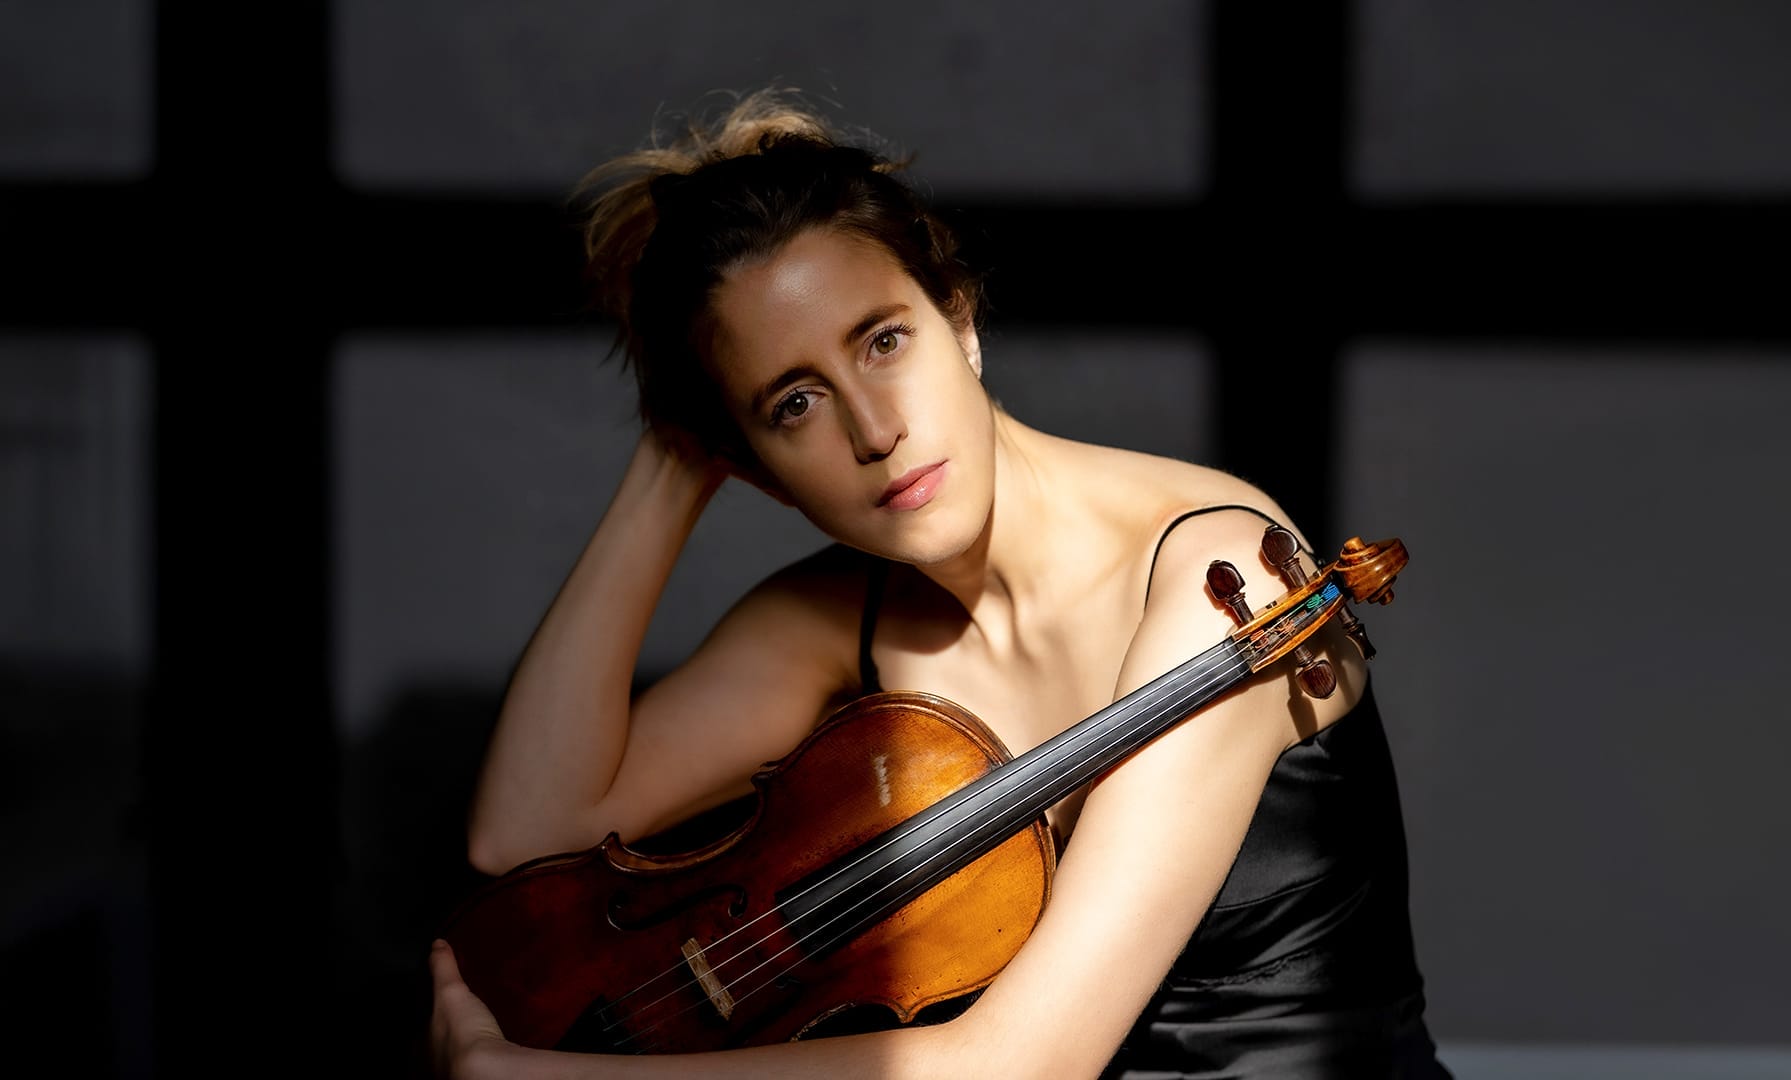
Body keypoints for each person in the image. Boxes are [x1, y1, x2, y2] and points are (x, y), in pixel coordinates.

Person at [427, 88, 1451, 1080]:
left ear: (959, 319)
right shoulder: (839, 618)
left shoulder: (1215, 581)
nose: (874, 432)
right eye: (794, 404)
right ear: (752, 468)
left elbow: (1026, 1062)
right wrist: (672, 458)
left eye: (883, 341)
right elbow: (527, 830)